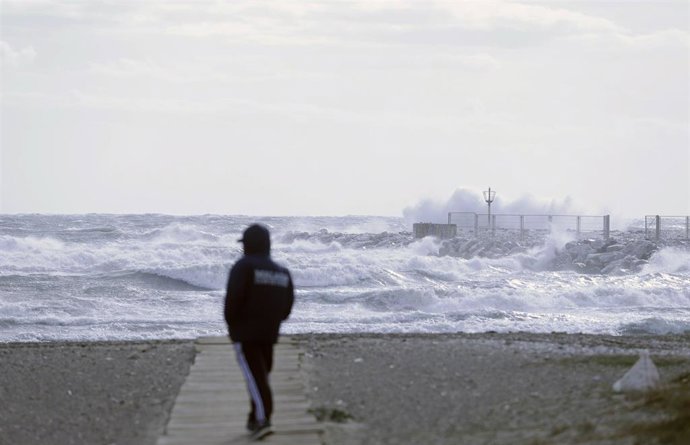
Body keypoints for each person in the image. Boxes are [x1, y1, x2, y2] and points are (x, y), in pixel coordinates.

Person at [224, 224, 294, 441]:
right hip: (270, 333)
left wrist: (232, 325)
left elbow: (233, 299)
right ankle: (255, 416)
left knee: (255, 378)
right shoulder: (282, 272)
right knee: (261, 376)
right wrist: (273, 322)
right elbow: (287, 306)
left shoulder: (243, 267)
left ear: (248, 246)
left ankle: (263, 420)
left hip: (246, 334)